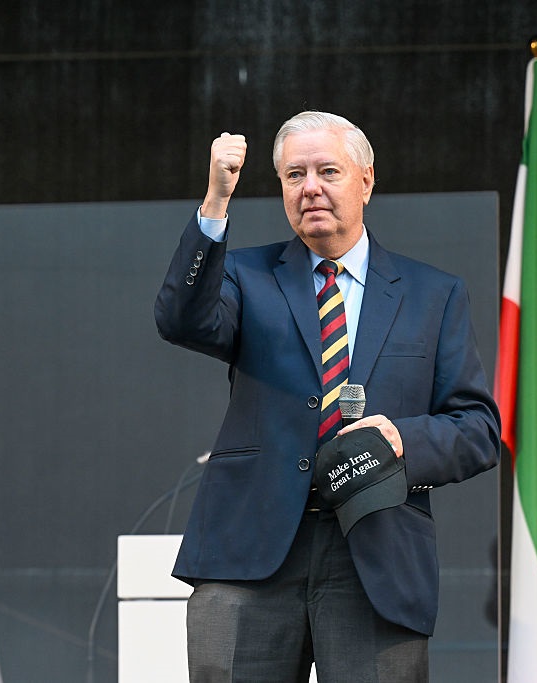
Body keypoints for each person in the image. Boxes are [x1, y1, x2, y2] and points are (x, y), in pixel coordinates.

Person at [154, 111, 500, 682]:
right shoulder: (244, 274)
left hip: (377, 551)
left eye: (327, 171)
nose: (310, 187)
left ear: (366, 181)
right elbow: (180, 321)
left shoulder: (433, 294)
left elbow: (478, 428)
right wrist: (215, 202)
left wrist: (401, 438)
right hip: (250, 552)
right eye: (295, 175)